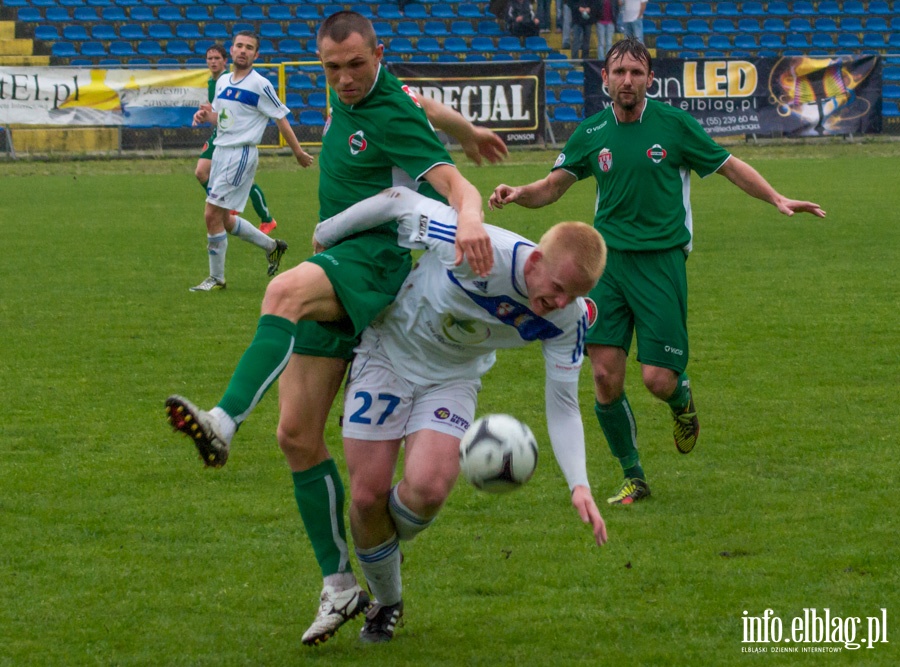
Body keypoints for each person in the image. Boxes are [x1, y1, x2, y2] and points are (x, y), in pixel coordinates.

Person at [165, 11, 507, 647]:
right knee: (297, 437)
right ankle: (341, 584)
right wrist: (467, 126)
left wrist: (470, 218)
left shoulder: (391, 113)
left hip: (372, 260)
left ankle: (222, 422)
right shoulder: (356, 81)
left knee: (282, 288)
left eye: (356, 65)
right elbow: (422, 97)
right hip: (339, 262)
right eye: (333, 68)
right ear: (322, 61)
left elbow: (455, 184)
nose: (345, 79)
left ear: (379, 52)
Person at [489, 39, 826, 506]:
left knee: (657, 380)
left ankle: (681, 400)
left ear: (649, 78)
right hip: (606, 266)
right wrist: (516, 192)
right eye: (619, 72)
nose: (627, 80)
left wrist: (777, 198)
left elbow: (730, 167)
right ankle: (634, 476)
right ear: (604, 78)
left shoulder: (675, 126)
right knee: (605, 377)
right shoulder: (590, 133)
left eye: (636, 72)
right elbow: (550, 188)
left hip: (661, 262)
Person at [310, 186, 610, 642]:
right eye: (556, 291)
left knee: (427, 490)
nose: (561, 305)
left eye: (573, 297)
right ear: (534, 263)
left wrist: (579, 483)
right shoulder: (473, 244)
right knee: (367, 498)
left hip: (452, 377)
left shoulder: (568, 318)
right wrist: (326, 233)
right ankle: (386, 601)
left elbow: (564, 403)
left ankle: (379, 549)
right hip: (387, 352)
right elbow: (398, 201)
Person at [189, 32, 313, 292]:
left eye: (249, 48)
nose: (243, 51)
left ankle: (217, 278)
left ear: (256, 55)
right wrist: (204, 116)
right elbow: (221, 118)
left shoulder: (260, 84)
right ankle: (273, 246)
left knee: (211, 213)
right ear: (231, 51)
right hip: (222, 151)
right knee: (224, 219)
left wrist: (298, 152)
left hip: (240, 154)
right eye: (239, 46)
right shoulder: (223, 81)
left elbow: (281, 117)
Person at [196, 44, 280, 237]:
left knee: (244, 181)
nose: (213, 62)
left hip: (234, 139)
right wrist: (204, 113)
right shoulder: (214, 82)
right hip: (221, 135)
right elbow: (217, 110)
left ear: (225, 60)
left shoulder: (232, 80)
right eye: (210, 59)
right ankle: (223, 207)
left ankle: (264, 218)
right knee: (202, 172)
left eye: (217, 58)